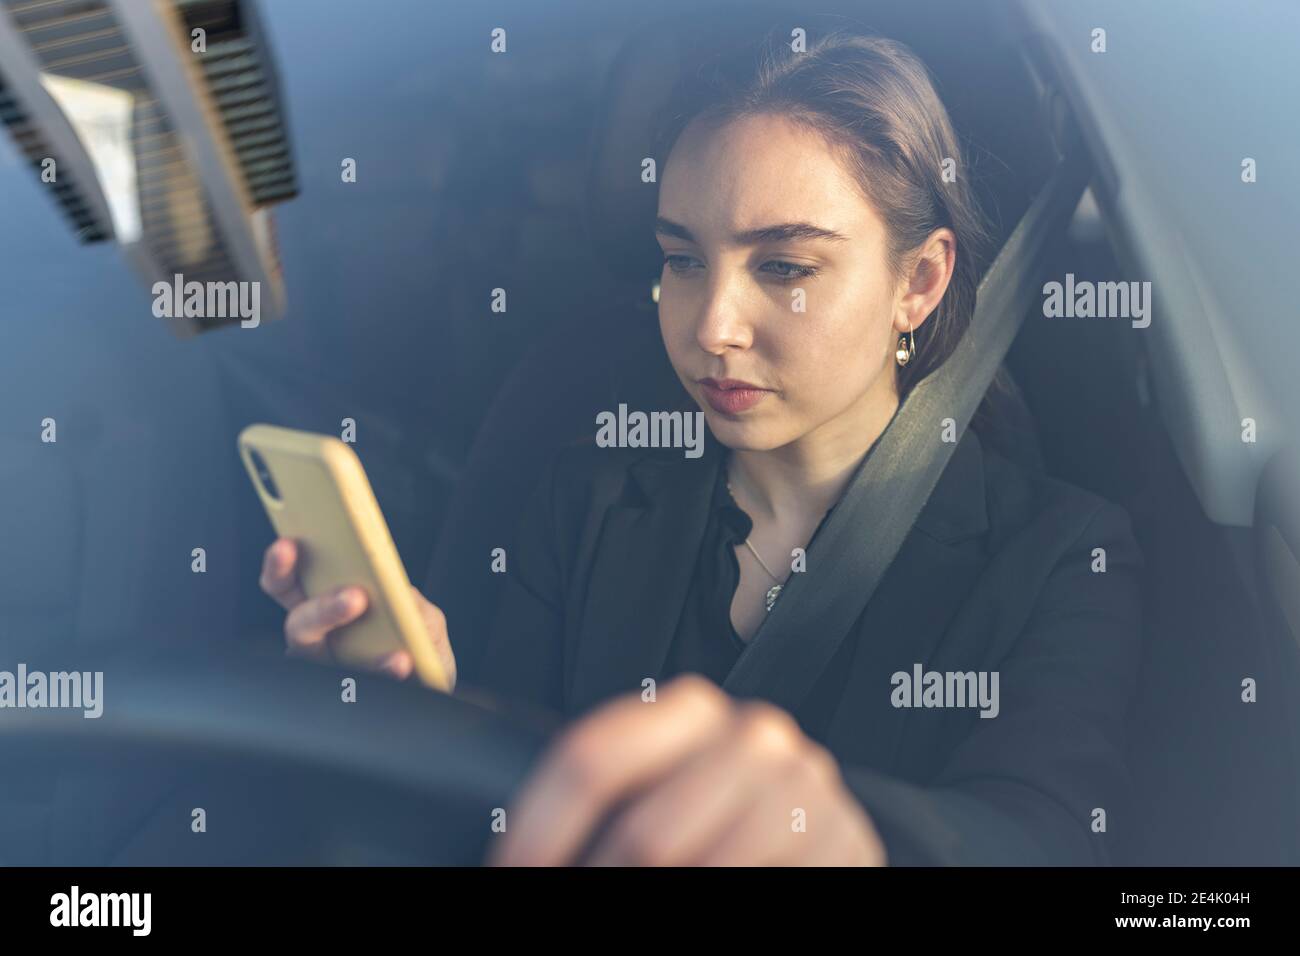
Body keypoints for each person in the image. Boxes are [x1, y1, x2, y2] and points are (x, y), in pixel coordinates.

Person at [259, 30, 1142, 866]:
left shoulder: (1062, 556)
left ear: (918, 282)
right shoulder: (585, 499)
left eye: (785, 267)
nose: (711, 329)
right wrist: (426, 716)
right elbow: (503, 819)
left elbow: (1045, 842)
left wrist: (854, 842)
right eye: (683, 260)